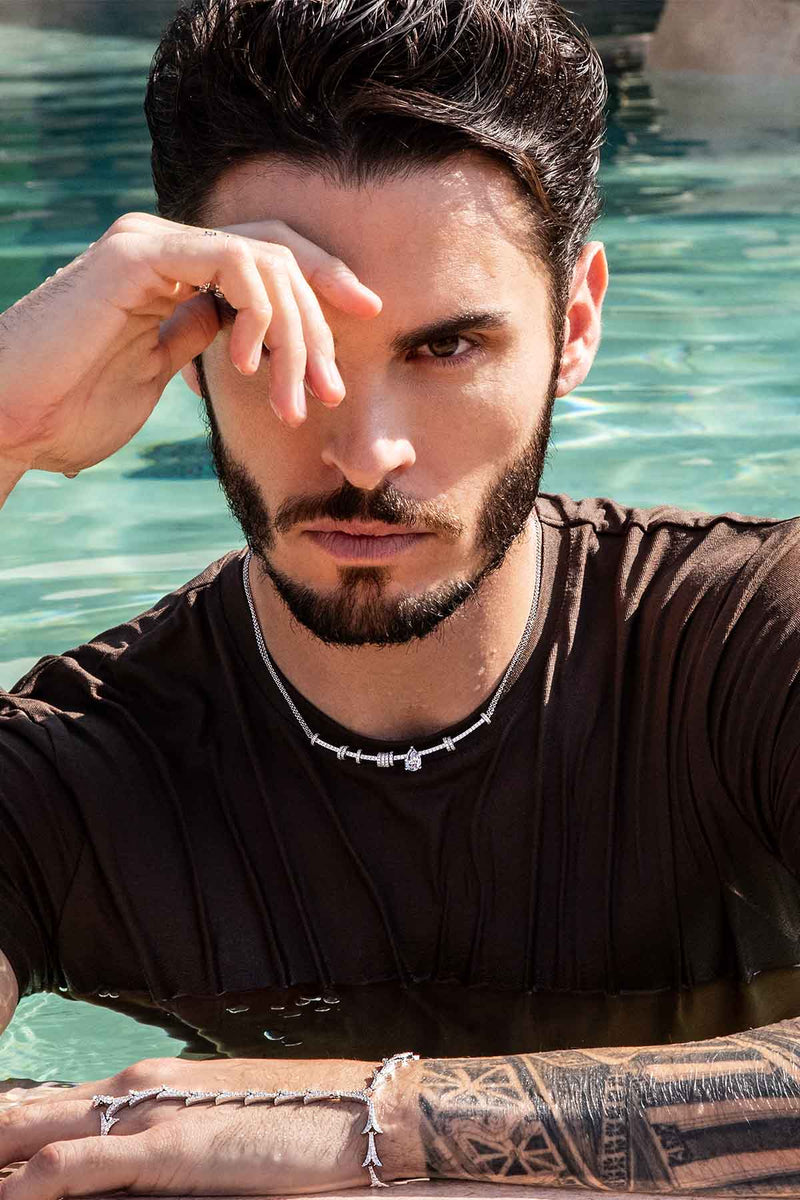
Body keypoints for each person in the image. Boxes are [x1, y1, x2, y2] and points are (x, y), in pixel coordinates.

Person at [1, 0, 800, 1196]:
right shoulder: (77, 772)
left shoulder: (747, 640)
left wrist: (361, 1120)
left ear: (574, 326)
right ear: (185, 338)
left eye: (444, 349)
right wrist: (6, 427)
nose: (365, 453)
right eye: (280, 337)